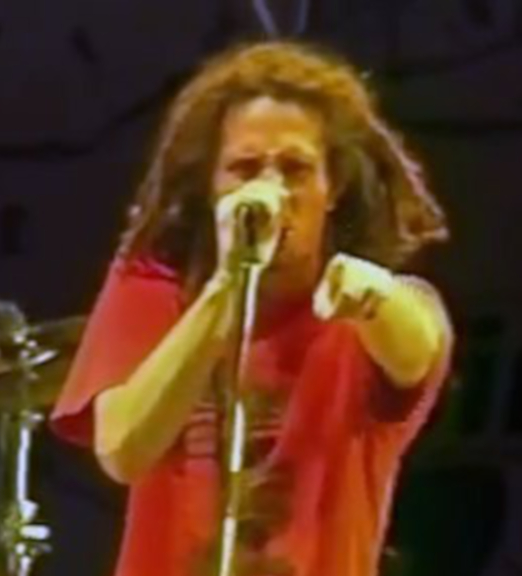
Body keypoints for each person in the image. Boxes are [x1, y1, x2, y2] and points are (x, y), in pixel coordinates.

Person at [50, 41, 454, 576]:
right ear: (211, 186)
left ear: (333, 187)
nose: (270, 190)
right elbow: (123, 449)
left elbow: (417, 347)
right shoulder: (151, 289)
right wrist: (228, 283)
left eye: (295, 169)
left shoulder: (367, 309)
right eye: (245, 169)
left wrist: (375, 298)